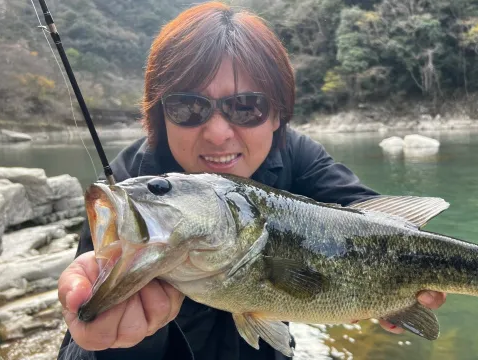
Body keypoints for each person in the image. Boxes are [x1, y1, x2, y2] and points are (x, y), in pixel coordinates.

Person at [56, 2, 447, 359]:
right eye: (188, 106)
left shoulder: (295, 155)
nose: (218, 133)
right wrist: (101, 340)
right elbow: (73, 348)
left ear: (277, 115)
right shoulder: (134, 194)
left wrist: (394, 286)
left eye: (246, 106)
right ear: (161, 114)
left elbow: (373, 222)